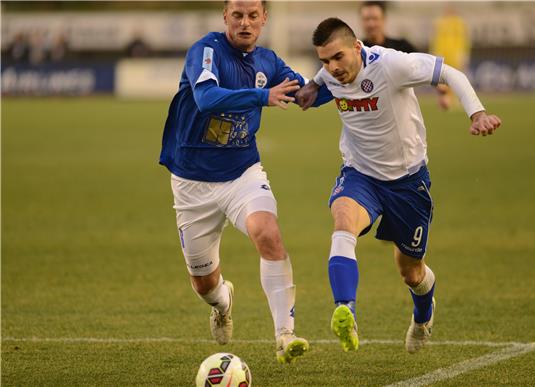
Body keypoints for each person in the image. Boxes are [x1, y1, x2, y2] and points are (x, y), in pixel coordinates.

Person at [295, 18, 501, 354]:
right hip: (360, 174)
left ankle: (423, 317)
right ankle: (346, 309)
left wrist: (476, 113)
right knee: (343, 222)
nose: (332, 68)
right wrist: (311, 86)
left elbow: (451, 73)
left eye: (338, 58)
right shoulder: (331, 73)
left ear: (357, 48)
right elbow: (319, 79)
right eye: (324, 61)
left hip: (407, 182)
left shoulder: (392, 64)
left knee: (411, 272)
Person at [159, 0, 310, 364]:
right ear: (225, 16)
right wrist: (263, 96)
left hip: (242, 172)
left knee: (267, 233)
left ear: (263, 19)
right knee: (204, 284)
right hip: (192, 183)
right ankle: (223, 304)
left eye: (252, 16)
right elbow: (207, 98)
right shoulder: (205, 51)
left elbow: (304, 92)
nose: (245, 23)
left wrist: (348, 83)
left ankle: (284, 335)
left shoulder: (269, 62)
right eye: (238, 15)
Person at [359, 1, 451, 110]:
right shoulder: (356, 50)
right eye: (367, 19)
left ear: (384, 20)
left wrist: (442, 92)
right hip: (369, 112)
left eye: (374, 18)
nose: (371, 24)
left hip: (400, 114)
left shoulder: (401, 46)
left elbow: (426, 66)